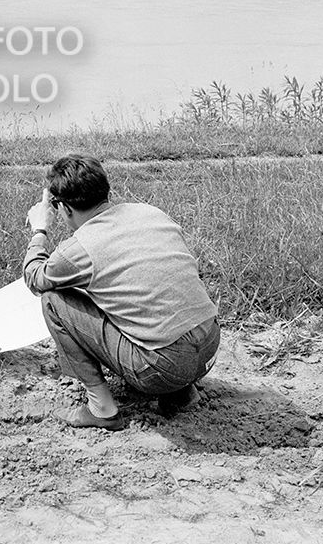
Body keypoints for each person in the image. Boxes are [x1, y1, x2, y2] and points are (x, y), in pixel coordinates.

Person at [23, 152, 219, 430]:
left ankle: (101, 408)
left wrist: (39, 230)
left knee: (54, 299)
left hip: (161, 368)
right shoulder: (150, 212)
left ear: (64, 208)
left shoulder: (79, 248)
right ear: (105, 190)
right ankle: (180, 393)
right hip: (210, 346)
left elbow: (35, 278)